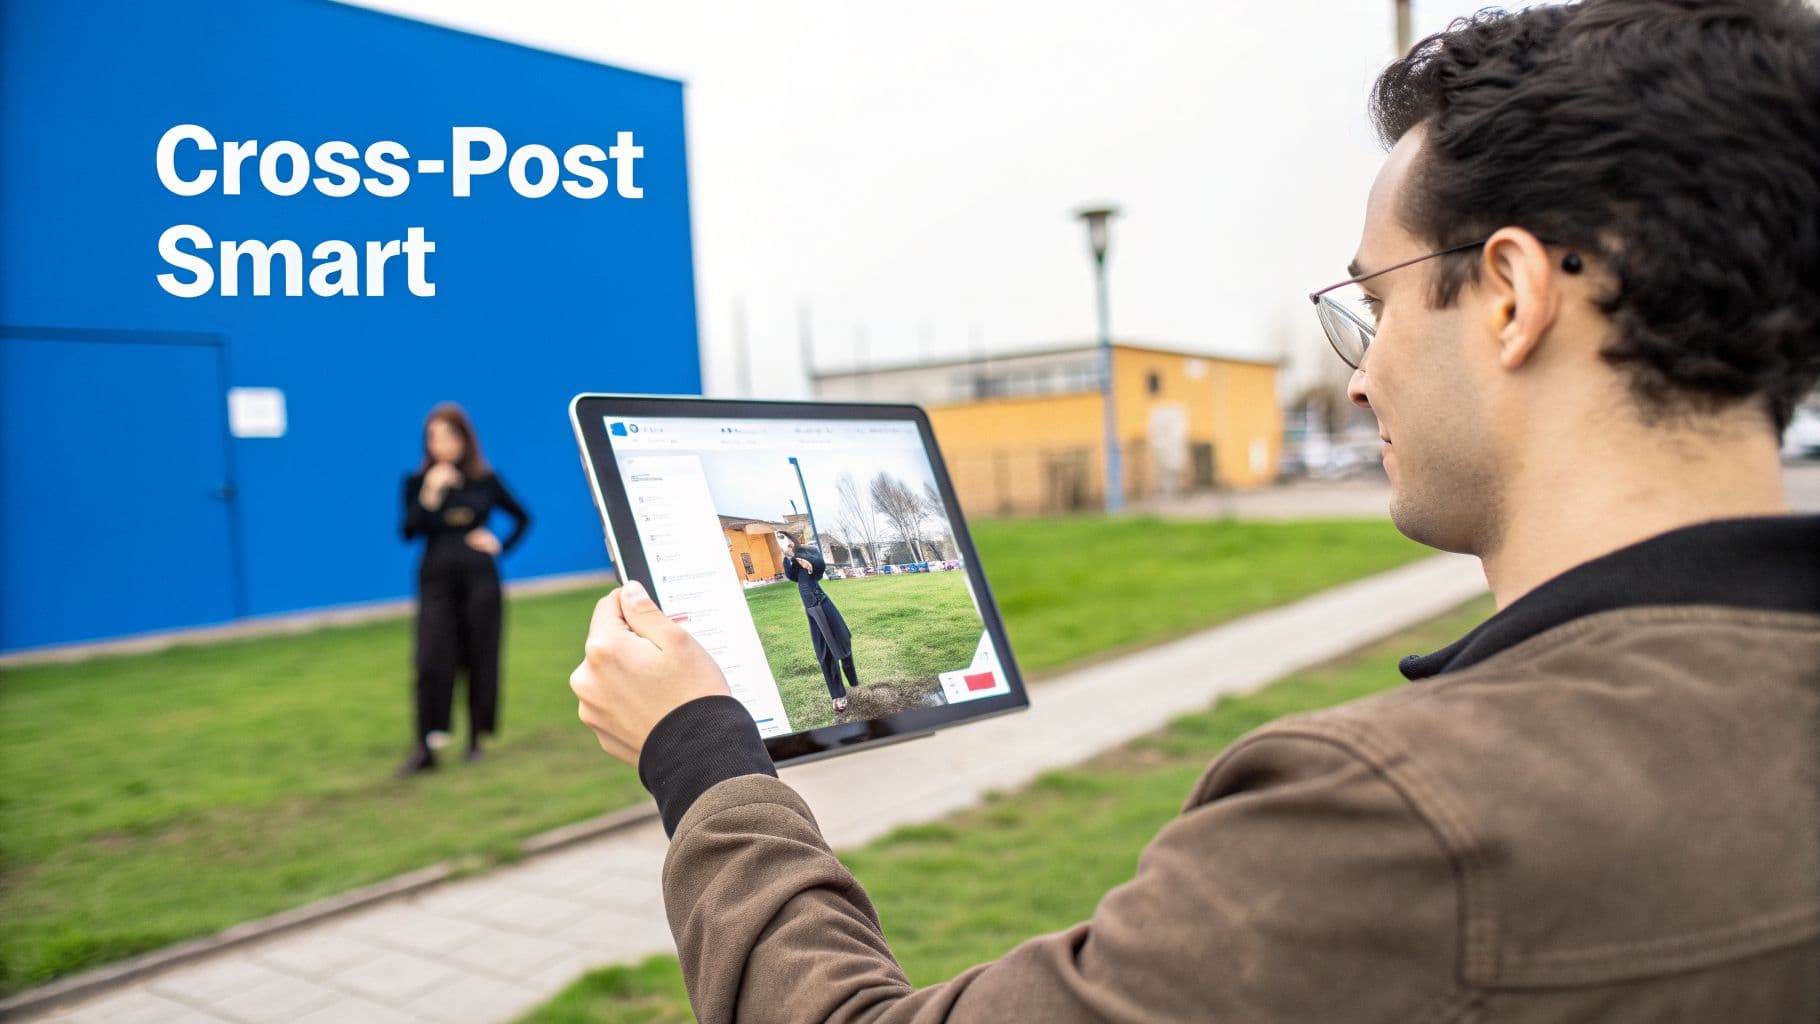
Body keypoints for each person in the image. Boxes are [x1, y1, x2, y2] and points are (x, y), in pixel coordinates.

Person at [567, 1, 1820, 1019]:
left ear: (1507, 293)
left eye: (1371, 303)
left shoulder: (1393, 818)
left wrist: (698, 754)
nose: (1357, 369)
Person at [398, 403, 530, 777]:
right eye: (433, 437)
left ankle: (475, 740)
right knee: (431, 660)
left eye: (449, 436)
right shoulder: (416, 481)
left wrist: (500, 544)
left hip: (480, 580)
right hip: (436, 580)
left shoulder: (484, 480)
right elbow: (408, 531)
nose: (442, 444)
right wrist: (429, 492)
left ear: (464, 439)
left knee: (480, 656)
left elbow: (523, 517)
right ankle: (427, 743)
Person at [779, 532, 862, 713]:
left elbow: (819, 567)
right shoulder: (791, 559)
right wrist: (787, 559)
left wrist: (807, 563)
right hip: (812, 611)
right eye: (781, 542)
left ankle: (854, 682)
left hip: (821, 604)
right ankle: (838, 695)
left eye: (785, 539)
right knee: (824, 653)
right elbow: (792, 576)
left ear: (793, 539)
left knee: (841, 644)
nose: (784, 544)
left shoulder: (809, 551)